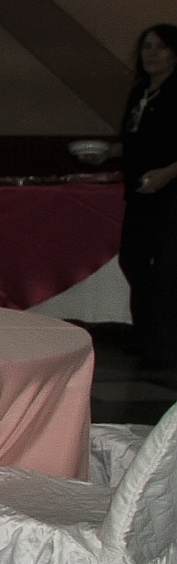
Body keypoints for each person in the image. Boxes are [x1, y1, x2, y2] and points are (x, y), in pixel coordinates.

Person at [120, 23, 177, 370]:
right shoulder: (141, 91)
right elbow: (136, 140)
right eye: (146, 46)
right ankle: (147, 337)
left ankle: (166, 347)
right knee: (134, 260)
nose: (151, 53)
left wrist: (167, 173)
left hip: (171, 193)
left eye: (160, 47)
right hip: (141, 192)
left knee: (167, 269)